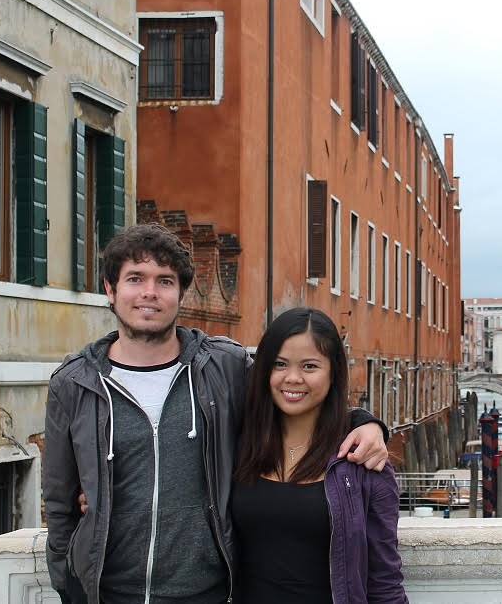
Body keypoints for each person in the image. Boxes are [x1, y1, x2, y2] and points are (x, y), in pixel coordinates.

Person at [43, 223, 388, 604]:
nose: (149, 293)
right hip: (107, 595)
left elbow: (295, 388)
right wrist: (68, 588)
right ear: (110, 289)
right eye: (135, 278)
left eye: (165, 281)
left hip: (207, 594)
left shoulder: (224, 367)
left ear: (181, 293)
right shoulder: (74, 384)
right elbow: (59, 505)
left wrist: (367, 423)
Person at [233, 307, 408, 603]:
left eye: (310, 366)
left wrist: (368, 424)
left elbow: (384, 581)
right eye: (279, 364)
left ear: (333, 373)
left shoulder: (361, 462)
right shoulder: (238, 445)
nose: (293, 378)